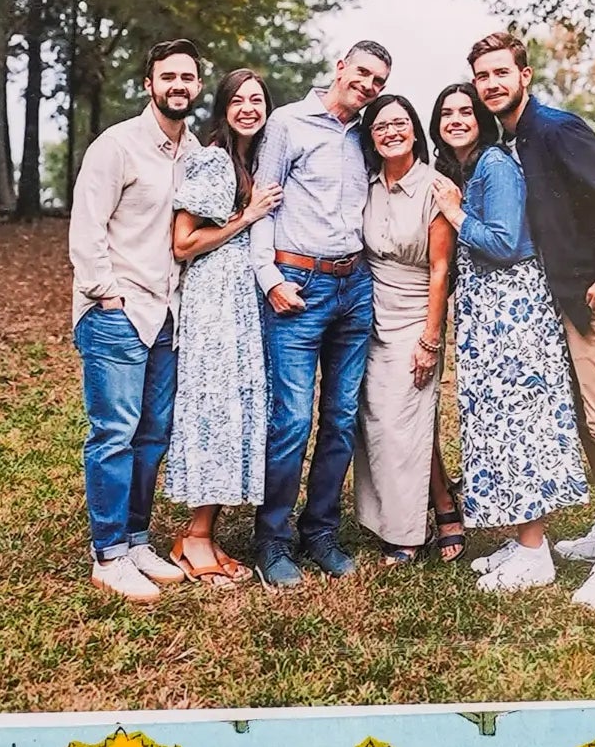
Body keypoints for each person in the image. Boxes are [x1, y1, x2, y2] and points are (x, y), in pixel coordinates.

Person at [468, 26, 595, 611]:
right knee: (586, 421)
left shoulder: (556, 128)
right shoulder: (518, 140)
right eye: (482, 76)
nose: (491, 84)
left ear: (524, 76)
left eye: (501, 73)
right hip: (561, 301)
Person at [247, 38, 392, 586]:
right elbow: (263, 205)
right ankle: (272, 539)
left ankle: (321, 531)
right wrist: (270, 279)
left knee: (341, 417)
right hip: (297, 286)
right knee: (292, 420)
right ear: (340, 66)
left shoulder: (366, 134)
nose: (368, 86)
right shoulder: (287, 123)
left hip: (354, 287)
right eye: (363, 73)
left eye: (378, 81)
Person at [440, 70, 592, 592]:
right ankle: (524, 539)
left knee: (519, 425)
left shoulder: (495, 164)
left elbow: (505, 244)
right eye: (446, 113)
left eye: (465, 111)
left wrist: (455, 213)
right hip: (488, 315)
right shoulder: (471, 167)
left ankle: (534, 554)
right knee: (498, 425)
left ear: (481, 119)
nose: (456, 120)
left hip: (514, 313)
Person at [67, 37, 206, 605]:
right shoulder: (117, 145)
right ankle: (108, 555)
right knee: (115, 434)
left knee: (152, 436)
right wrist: (107, 296)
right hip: (118, 312)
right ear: (149, 85)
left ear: (198, 86)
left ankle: (136, 540)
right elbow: (86, 228)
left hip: (168, 314)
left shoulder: (196, 152)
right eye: (168, 76)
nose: (178, 85)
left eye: (187, 77)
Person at [162, 66, 283, 583]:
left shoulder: (254, 161)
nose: (249, 109)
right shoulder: (214, 161)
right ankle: (194, 537)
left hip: (244, 302)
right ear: (224, 108)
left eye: (257, 101)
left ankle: (204, 534)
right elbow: (183, 243)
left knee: (237, 413)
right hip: (214, 303)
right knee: (214, 409)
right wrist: (246, 217)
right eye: (239, 101)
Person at [350, 93, 454, 561]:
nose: (391, 132)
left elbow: (440, 270)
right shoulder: (366, 185)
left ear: (414, 130)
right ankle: (434, 505)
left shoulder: (435, 187)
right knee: (378, 422)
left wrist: (430, 339)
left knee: (402, 424)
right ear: (371, 137)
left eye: (400, 123)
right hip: (370, 315)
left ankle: (408, 534)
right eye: (380, 126)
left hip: (415, 314)